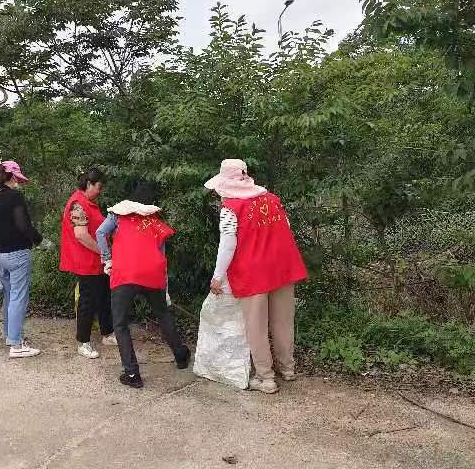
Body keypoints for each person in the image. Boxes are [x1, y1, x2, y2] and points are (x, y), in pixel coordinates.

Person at [205, 159, 307, 394]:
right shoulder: (272, 199)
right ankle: (287, 369)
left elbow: (227, 245)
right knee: (283, 322)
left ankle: (266, 378)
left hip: (253, 271)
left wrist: (217, 277)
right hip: (283, 266)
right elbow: (286, 228)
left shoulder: (231, 208)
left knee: (256, 327)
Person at [96, 182, 190, 389]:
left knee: (120, 324)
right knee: (163, 314)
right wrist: (164, 287)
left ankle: (132, 374)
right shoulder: (154, 220)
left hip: (125, 272)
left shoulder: (117, 215)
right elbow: (161, 253)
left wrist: (107, 259)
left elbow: (100, 233)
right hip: (152, 273)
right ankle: (181, 356)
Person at [0, 160, 43, 359]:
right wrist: (39, 240)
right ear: (13, 177)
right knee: (18, 297)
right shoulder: (15, 197)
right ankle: (16, 344)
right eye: (17, 178)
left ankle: (10, 335)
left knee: (9, 294)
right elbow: (23, 225)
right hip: (17, 254)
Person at [60, 167, 117, 359]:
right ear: (89, 184)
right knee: (88, 302)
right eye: (99, 187)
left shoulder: (89, 203)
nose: (101, 191)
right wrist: (104, 252)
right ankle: (83, 342)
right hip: (86, 261)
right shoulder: (78, 204)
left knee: (104, 297)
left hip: (97, 261)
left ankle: (107, 333)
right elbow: (81, 235)